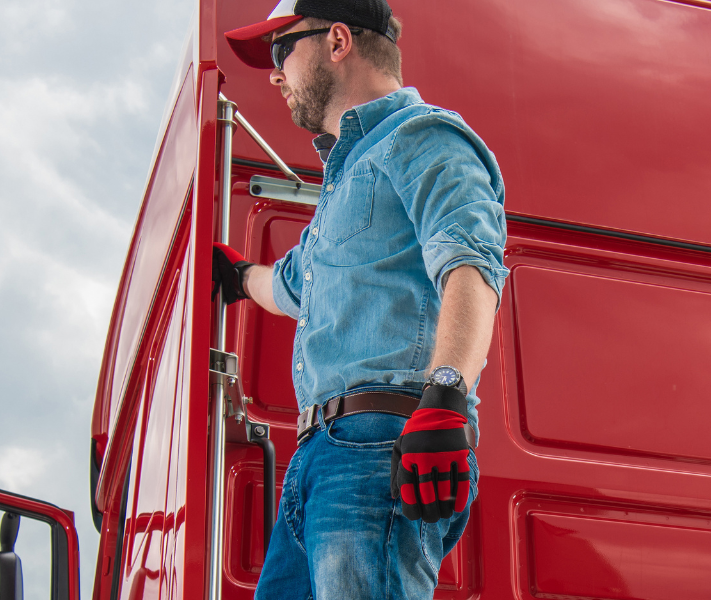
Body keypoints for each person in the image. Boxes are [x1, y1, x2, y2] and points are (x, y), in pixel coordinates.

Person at [213, 0, 508, 597]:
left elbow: (470, 269)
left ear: (338, 40)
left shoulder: (423, 136)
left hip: (378, 445)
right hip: (316, 460)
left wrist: (446, 398)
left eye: (281, 50)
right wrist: (239, 276)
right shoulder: (346, 182)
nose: (274, 75)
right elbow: (295, 286)